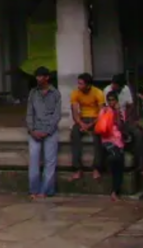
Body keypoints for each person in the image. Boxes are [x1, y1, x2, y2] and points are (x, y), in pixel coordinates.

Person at [26, 66, 61, 200]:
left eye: (41, 76)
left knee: (50, 162)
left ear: (47, 77)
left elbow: (56, 116)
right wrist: (32, 130)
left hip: (50, 132)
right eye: (37, 76)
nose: (38, 79)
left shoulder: (55, 93)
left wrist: (47, 131)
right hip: (34, 131)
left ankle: (45, 191)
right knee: (34, 161)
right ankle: (33, 190)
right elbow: (29, 113)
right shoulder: (33, 93)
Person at [104, 73, 143, 183]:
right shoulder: (107, 90)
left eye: (115, 85)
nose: (113, 86)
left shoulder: (125, 90)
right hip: (112, 121)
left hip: (123, 118)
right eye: (112, 84)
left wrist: (127, 117)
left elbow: (130, 105)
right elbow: (106, 110)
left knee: (138, 133)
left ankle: (140, 164)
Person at [69, 72, 105, 181]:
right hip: (82, 119)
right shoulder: (75, 93)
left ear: (88, 85)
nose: (79, 86)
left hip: (95, 119)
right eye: (78, 83)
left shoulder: (98, 93)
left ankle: (97, 168)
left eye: (81, 84)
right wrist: (81, 124)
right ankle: (77, 168)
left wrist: (90, 125)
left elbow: (102, 113)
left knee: (98, 136)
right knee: (74, 133)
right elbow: (75, 112)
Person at [98, 90, 126, 201]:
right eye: (109, 100)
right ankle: (105, 163)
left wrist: (117, 112)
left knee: (119, 164)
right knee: (116, 157)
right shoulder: (104, 111)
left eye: (113, 100)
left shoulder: (119, 111)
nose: (111, 102)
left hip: (118, 141)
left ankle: (115, 191)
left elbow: (120, 126)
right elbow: (101, 128)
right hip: (107, 140)